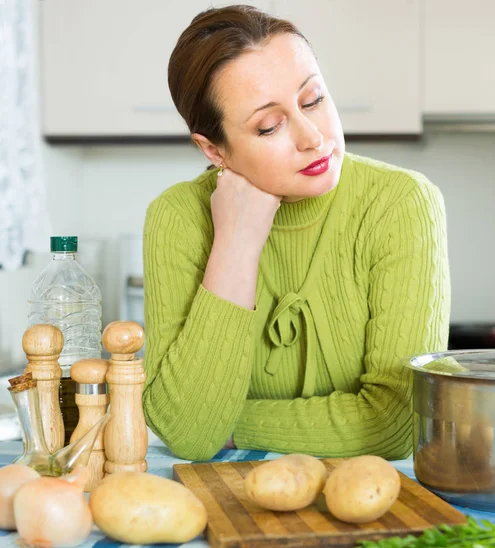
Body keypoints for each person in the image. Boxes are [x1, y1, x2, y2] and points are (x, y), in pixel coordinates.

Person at [142, 4, 450, 461]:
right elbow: (187, 436)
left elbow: (396, 424)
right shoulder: (178, 217)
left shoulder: (401, 202)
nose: (312, 136)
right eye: (269, 125)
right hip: (230, 508)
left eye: (313, 100)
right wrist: (236, 243)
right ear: (214, 149)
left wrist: (228, 424)